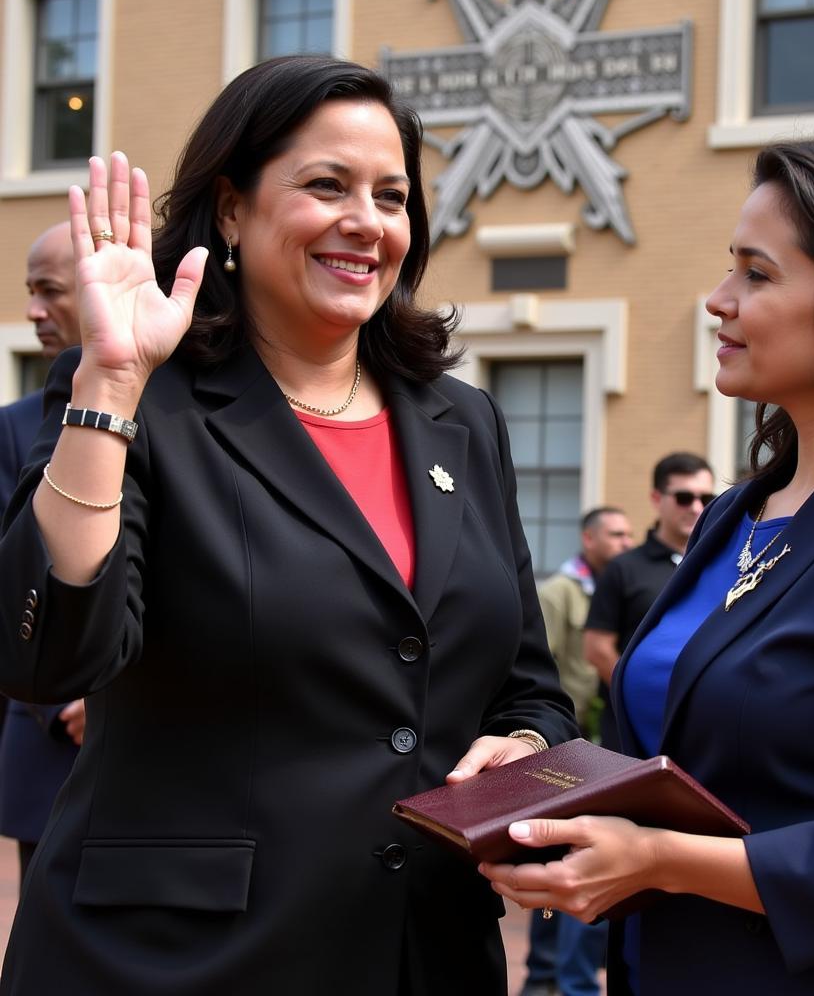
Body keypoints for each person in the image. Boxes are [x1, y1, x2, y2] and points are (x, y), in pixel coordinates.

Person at [0, 56, 577, 996]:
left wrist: (523, 751)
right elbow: (50, 658)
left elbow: (528, 687)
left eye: (392, 196)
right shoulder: (142, 396)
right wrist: (108, 385)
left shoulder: (462, 422)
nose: (368, 221)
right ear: (230, 209)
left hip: (420, 956)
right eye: (326, 185)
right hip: (173, 963)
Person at [481, 135, 814, 995]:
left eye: (757, 275)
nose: (716, 301)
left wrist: (659, 859)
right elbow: (687, 761)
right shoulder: (735, 512)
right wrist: (536, 775)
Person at [0, 222, 86, 889]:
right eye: (30, 292)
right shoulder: (18, 426)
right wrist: (65, 702)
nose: (32, 311)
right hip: (57, 751)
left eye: (48, 290)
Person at [521, 506, 633, 996]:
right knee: (553, 858)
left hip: (593, 741)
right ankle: (546, 973)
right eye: (615, 534)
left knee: (565, 856)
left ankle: (547, 972)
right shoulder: (558, 593)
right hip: (561, 742)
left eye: (629, 534)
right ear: (588, 538)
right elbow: (538, 666)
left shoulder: (613, 587)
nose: (624, 542)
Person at [584, 452, 713, 749]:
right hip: (632, 733)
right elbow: (597, 648)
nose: (696, 508)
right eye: (683, 497)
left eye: (706, 498)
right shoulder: (623, 567)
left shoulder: (720, 563)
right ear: (657, 498)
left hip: (701, 730)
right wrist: (644, 702)